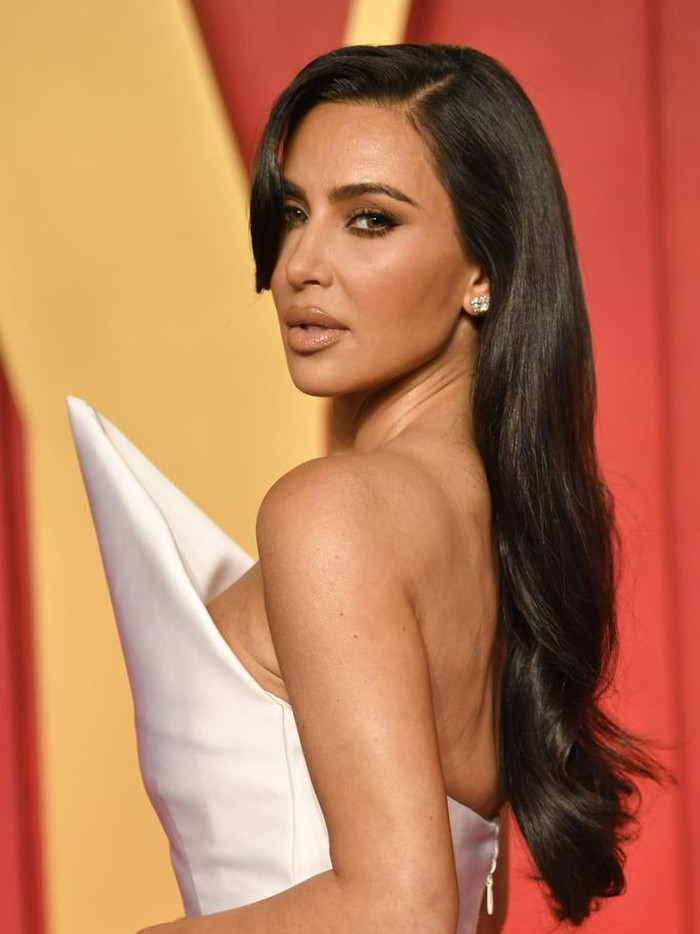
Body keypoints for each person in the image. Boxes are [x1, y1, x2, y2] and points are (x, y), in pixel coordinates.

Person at [69, 43, 662, 934]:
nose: (297, 265)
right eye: (293, 212)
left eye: (371, 220)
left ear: (483, 270)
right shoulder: (490, 526)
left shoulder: (333, 512)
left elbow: (399, 909)